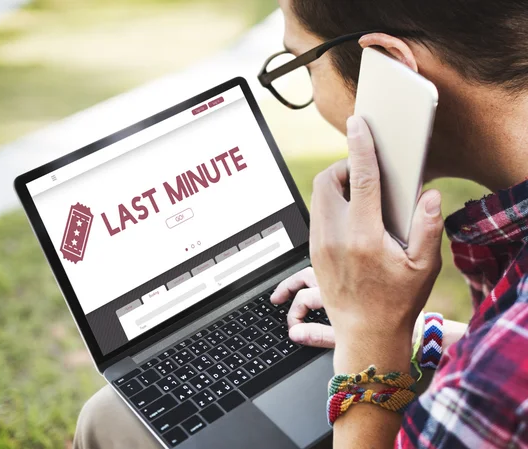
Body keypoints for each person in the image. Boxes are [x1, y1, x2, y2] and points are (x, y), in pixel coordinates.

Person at [74, 0, 528, 447]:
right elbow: (495, 350)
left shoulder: (494, 393)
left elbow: (496, 377)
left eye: (302, 66)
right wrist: (410, 334)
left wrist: (369, 345)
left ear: (391, 69)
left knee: (105, 420)